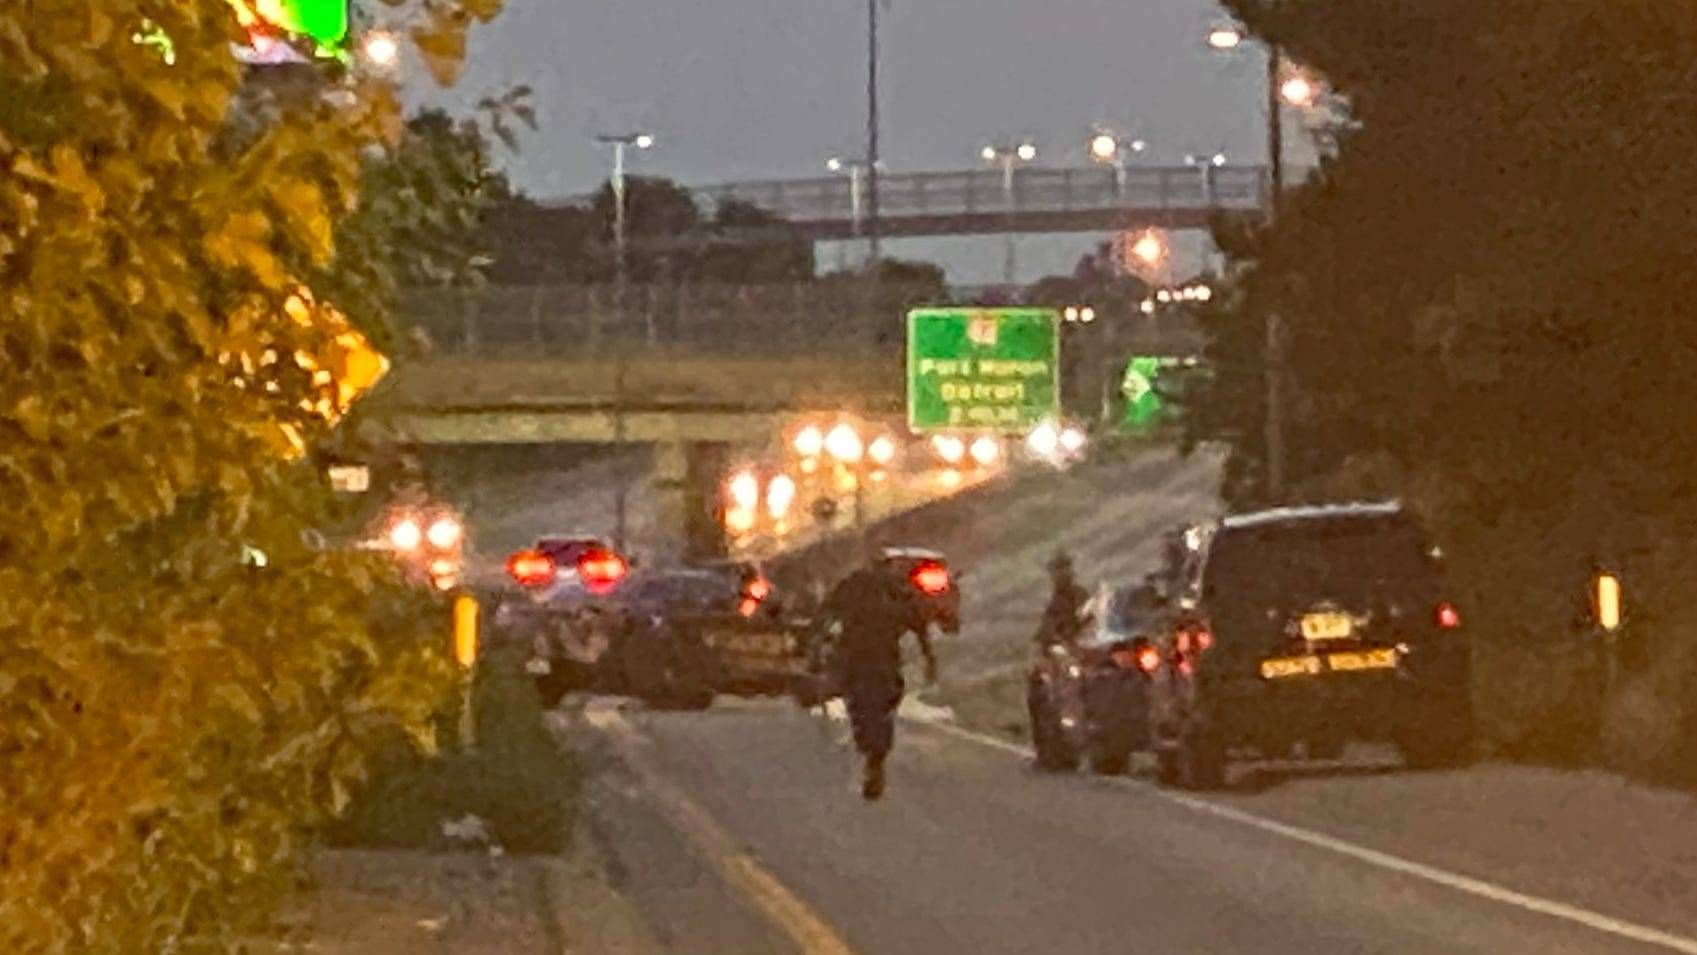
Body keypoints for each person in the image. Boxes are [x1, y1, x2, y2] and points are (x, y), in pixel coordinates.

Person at [820, 541, 940, 801]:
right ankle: (875, 757)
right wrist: (929, 658)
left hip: (860, 659)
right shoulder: (891, 588)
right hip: (879, 660)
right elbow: (918, 623)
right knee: (879, 709)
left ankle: (872, 755)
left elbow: (827, 614)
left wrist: (815, 644)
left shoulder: (855, 585)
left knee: (862, 707)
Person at [1036, 550, 1090, 649]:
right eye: (1059, 570)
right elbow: (1045, 640)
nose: (1063, 573)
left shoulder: (1081, 593)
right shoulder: (1054, 607)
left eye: (1066, 568)